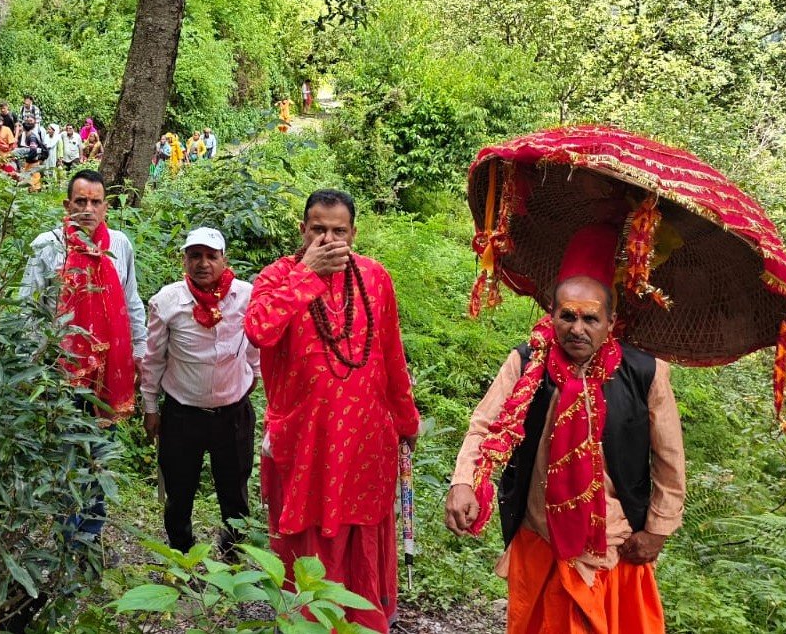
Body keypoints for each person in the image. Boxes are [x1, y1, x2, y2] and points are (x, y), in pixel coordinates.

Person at [444, 223, 685, 634]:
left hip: (615, 544)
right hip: (540, 538)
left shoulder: (645, 372)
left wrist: (658, 530)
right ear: (551, 315)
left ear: (610, 322)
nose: (578, 328)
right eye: (567, 315)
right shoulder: (525, 364)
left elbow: (669, 459)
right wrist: (463, 482)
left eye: (590, 318)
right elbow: (484, 425)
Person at [245, 189, 420, 632]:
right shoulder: (277, 277)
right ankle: (307, 620)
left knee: (361, 530)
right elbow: (259, 330)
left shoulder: (375, 278)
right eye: (318, 229)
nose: (328, 239)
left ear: (353, 233)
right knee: (308, 535)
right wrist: (305, 276)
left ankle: (363, 618)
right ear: (302, 230)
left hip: (366, 439)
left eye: (338, 231)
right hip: (305, 442)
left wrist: (406, 418)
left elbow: (390, 354)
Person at [21, 169, 147, 545]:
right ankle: (64, 534)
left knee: (98, 453)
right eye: (81, 202)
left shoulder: (119, 244)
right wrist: (31, 364)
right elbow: (29, 307)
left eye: (95, 202)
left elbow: (131, 301)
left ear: (106, 207)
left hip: (109, 373)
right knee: (65, 452)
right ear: (67, 205)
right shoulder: (47, 246)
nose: (88, 209)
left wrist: (140, 351)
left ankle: (89, 534)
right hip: (59, 372)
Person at [142, 227, 259, 554]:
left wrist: (255, 374)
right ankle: (182, 551)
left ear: (224, 260)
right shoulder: (167, 302)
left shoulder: (246, 296)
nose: (203, 263)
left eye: (211, 256)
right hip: (182, 414)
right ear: (185, 259)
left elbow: (254, 342)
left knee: (235, 490)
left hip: (233, 413)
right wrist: (150, 407)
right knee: (179, 492)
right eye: (195, 255)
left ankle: (233, 552)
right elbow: (153, 358)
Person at [17, 116, 48, 192]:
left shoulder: (32, 137)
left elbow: (33, 151)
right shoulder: (28, 135)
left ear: (24, 129)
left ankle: (35, 192)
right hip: (30, 161)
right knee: (29, 177)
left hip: (33, 161)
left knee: (34, 178)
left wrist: (25, 156)